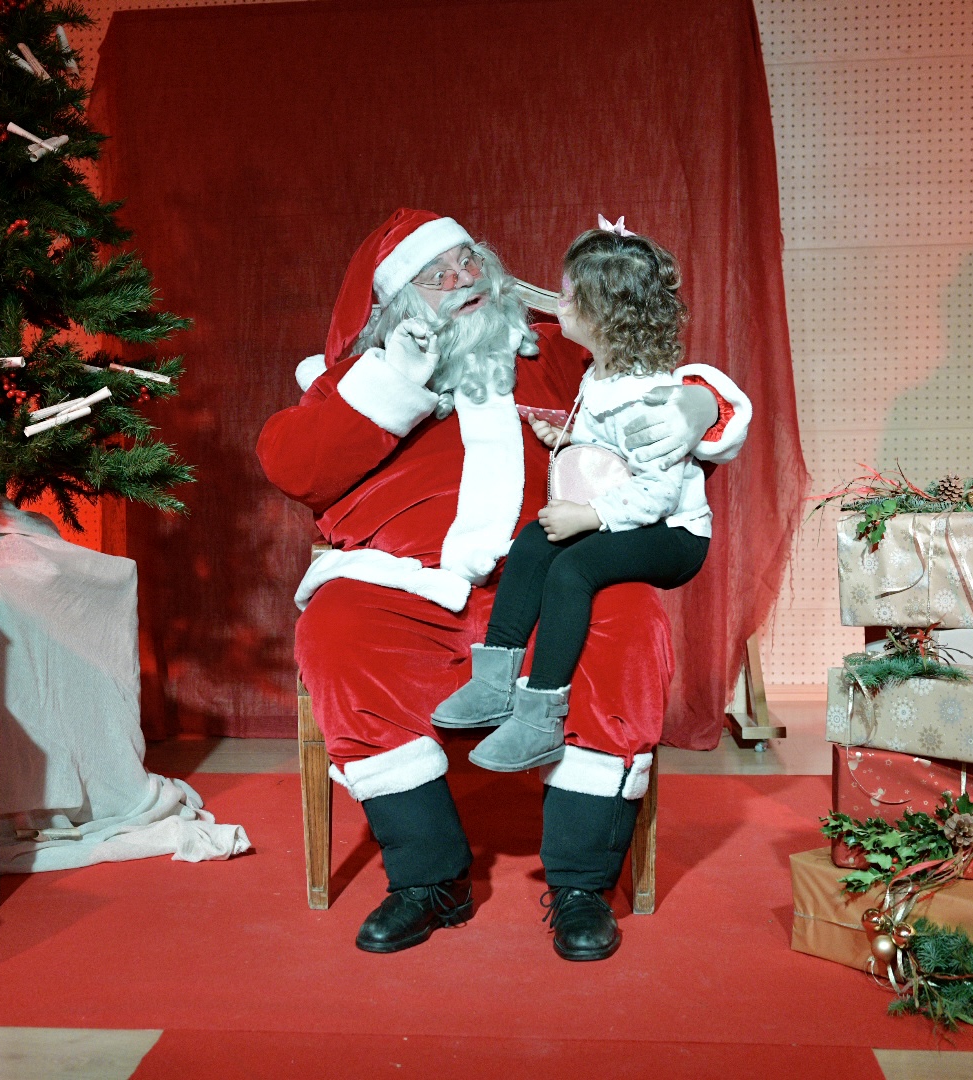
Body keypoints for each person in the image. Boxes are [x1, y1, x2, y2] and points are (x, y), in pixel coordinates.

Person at [256, 209, 750, 961]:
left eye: (468, 263)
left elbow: (654, 360)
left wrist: (701, 404)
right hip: (403, 586)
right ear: (398, 305)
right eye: (436, 275)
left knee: (627, 623)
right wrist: (397, 381)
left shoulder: (558, 350)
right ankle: (427, 879)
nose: (462, 282)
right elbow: (293, 465)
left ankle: (582, 884)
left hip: (545, 575)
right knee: (336, 633)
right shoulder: (362, 379)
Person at [433, 226, 713, 780]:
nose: (555, 303)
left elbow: (659, 493)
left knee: (573, 570)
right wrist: (559, 437)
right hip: (628, 510)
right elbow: (609, 452)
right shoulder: (603, 372)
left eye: (566, 297)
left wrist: (588, 516)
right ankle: (494, 682)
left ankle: (541, 713)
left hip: (674, 535)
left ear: (603, 316)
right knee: (534, 541)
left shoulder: (648, 399)